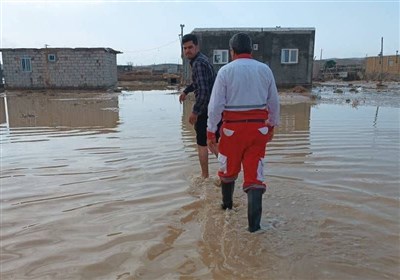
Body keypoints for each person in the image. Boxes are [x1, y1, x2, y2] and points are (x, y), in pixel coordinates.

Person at [206, 33, 280, 233]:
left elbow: (215, 107)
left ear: (232, 51)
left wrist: (211, 132)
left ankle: (227, 208)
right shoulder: (265, 70)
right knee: (255, 178)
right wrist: (271, 126)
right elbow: (274, 102)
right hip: (258, 131)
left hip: (232, 132)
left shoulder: (225, 71)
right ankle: (254, 230)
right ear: (251, 50)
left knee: (228, 171)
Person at [179, 33, 217, 178]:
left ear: (197, 47)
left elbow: (203, 91)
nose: (187, 50)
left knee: (203, 143)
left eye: (190, 47)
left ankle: (205, 176)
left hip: (205, 109)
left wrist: (195, 112)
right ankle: (228, 170)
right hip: (213, 108)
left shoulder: (198, 63)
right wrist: (186, 91)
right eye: (185, 48)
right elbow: (198, 83)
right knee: (212, 141)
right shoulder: (201, 60)